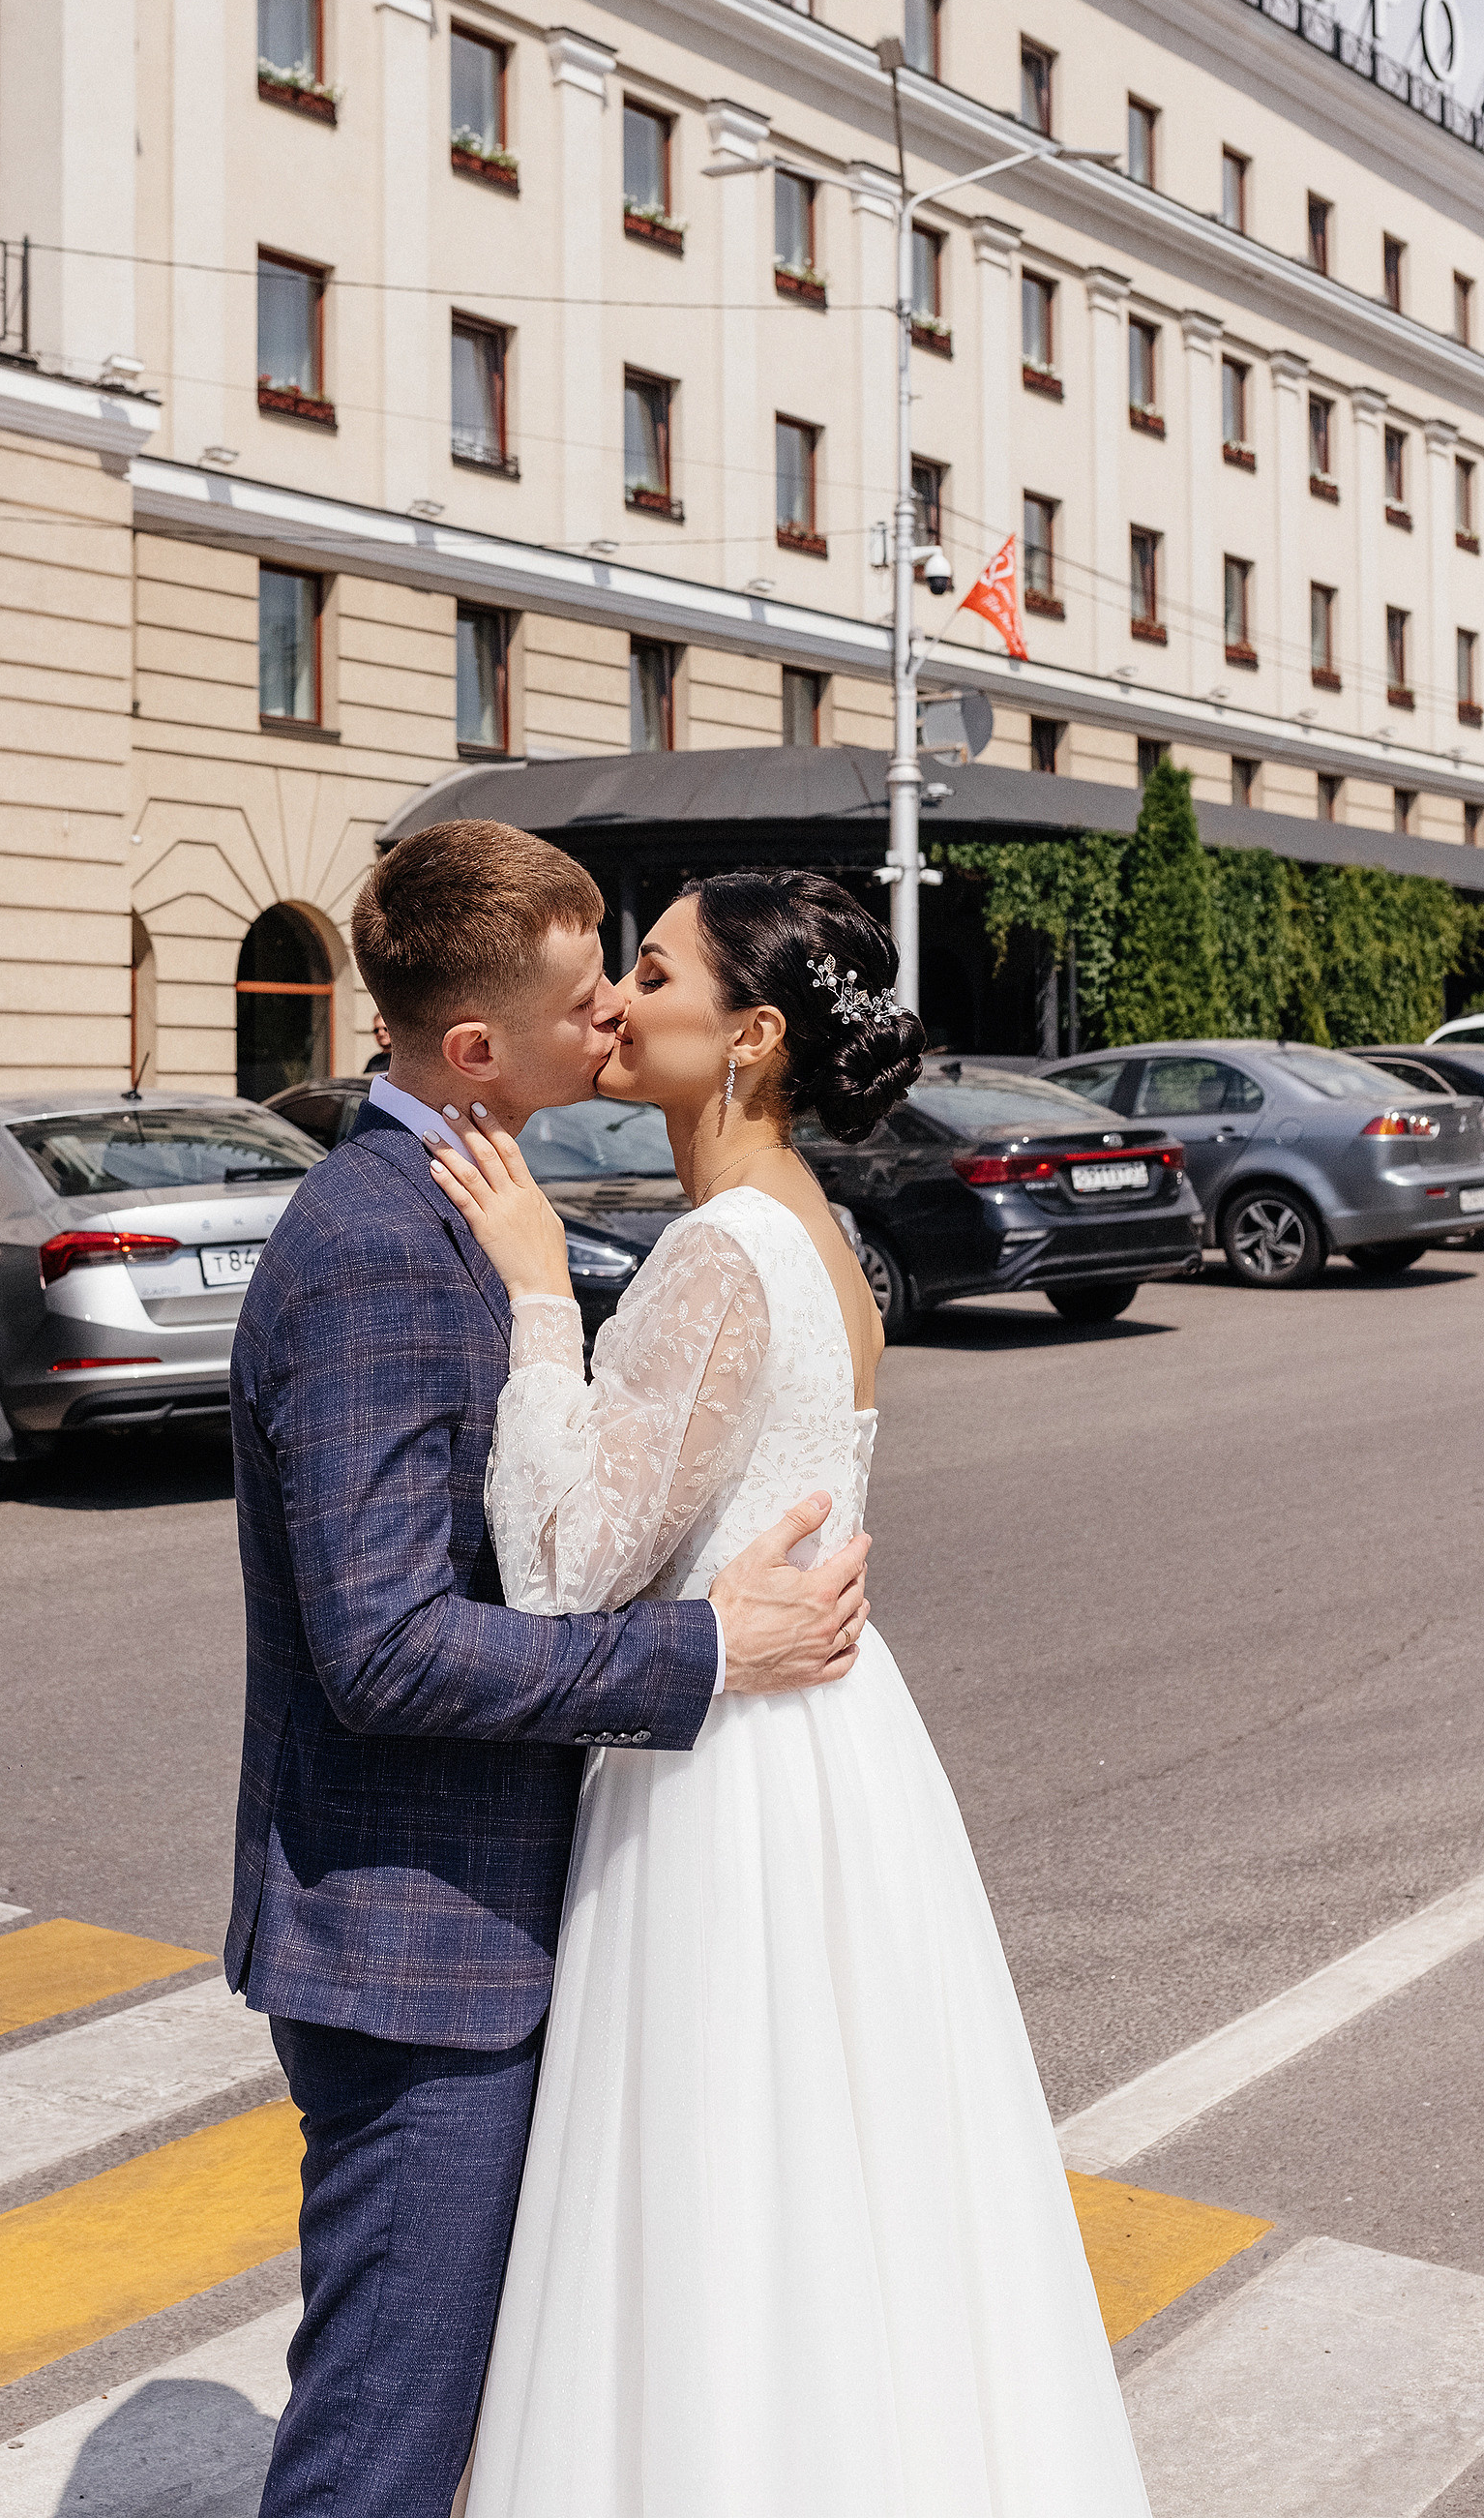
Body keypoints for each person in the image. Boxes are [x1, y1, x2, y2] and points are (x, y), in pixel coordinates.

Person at [429, 868, 1153, 2518]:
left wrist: (541, 1290)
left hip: (724, 1770)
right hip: (833, 1752)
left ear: (747, 1038)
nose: (613, 999)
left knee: (716, 2198)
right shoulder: (815, 1233)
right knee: (851, 2193)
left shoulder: (719, 1251)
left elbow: (558, 1570)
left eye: (652, 970)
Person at [227, 823, 874, 2518]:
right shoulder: (376, 1246)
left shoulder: (484, 1212)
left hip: (503, 1924)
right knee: (385, 2443)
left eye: (629, 989)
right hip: (416, 1948)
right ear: (472, 1050)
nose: (609, 1028)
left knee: (485, 2423)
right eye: (590, 1000)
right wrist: (710, 1648)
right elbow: (383, 1651)